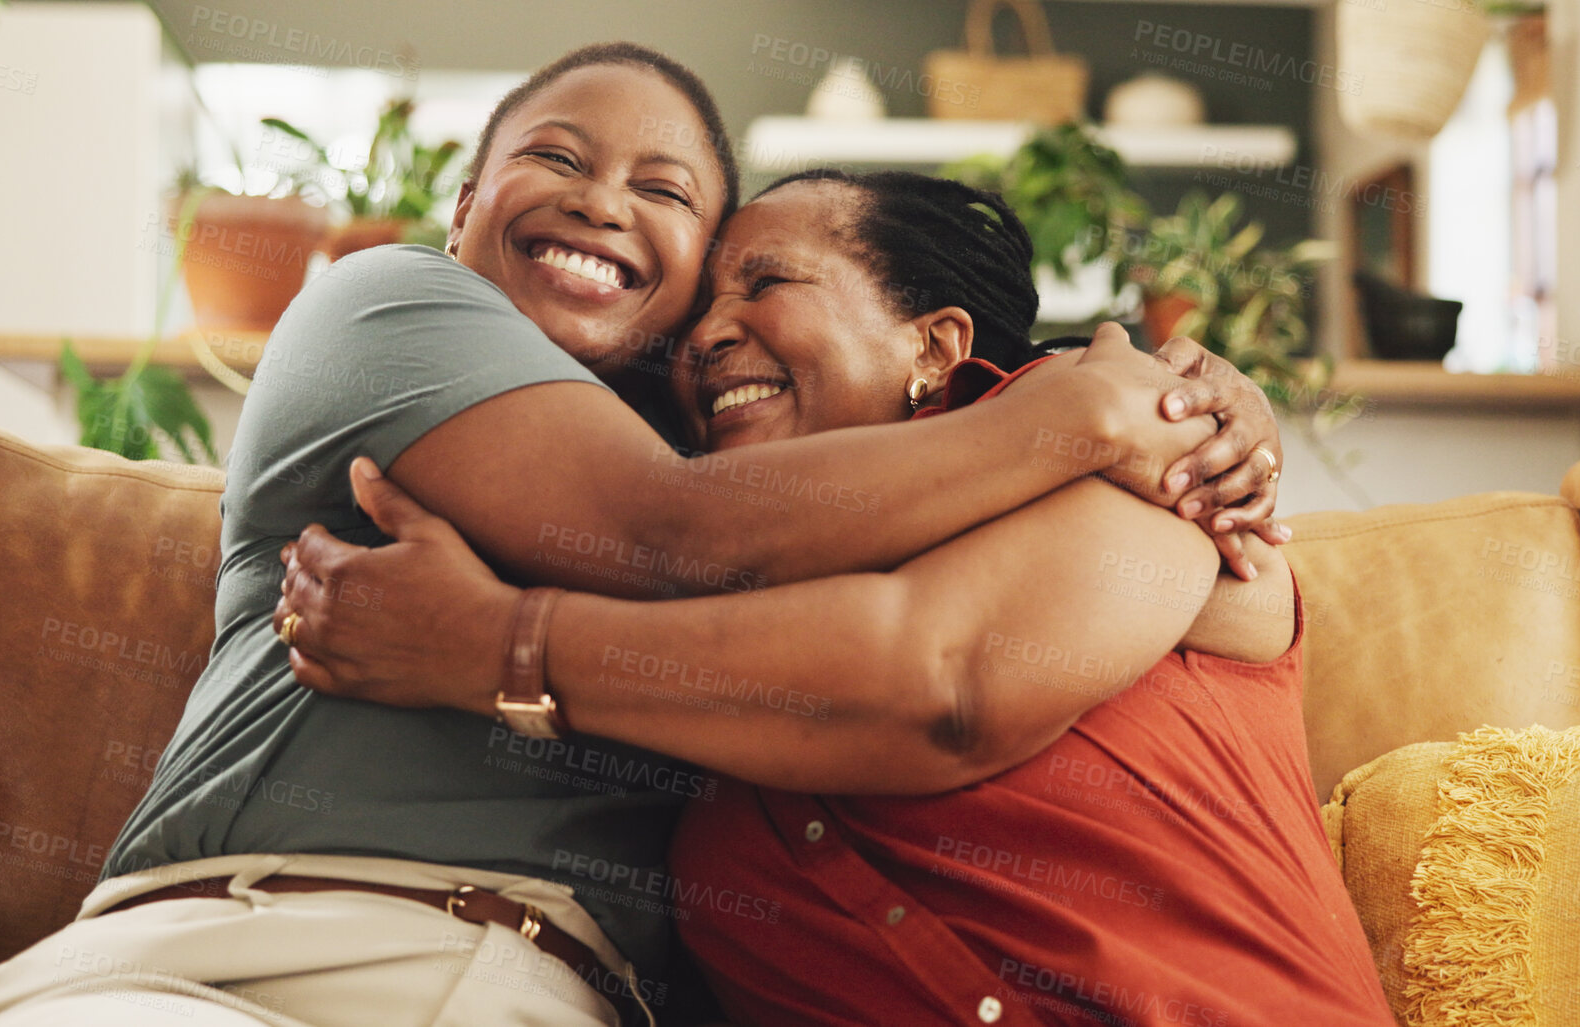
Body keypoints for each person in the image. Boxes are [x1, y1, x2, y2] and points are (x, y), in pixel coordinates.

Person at [0, 43, 1285, 1027]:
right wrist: (1113, 407)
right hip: (237, 945)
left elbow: (925, 674)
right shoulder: (392, 305)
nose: (599, 201)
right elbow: (669, 531)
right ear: (462, 205)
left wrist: (1151, 404)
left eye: (668, 196)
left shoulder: (819, 487)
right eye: (554, 159)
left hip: (547, 990)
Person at [277, 171, 1392, 1026]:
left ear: (935, 343)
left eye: (766, 284)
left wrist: (496, 649)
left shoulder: (1116, 431)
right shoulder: (701, 644)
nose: (707, 336)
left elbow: (945, 685)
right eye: (696, 314)